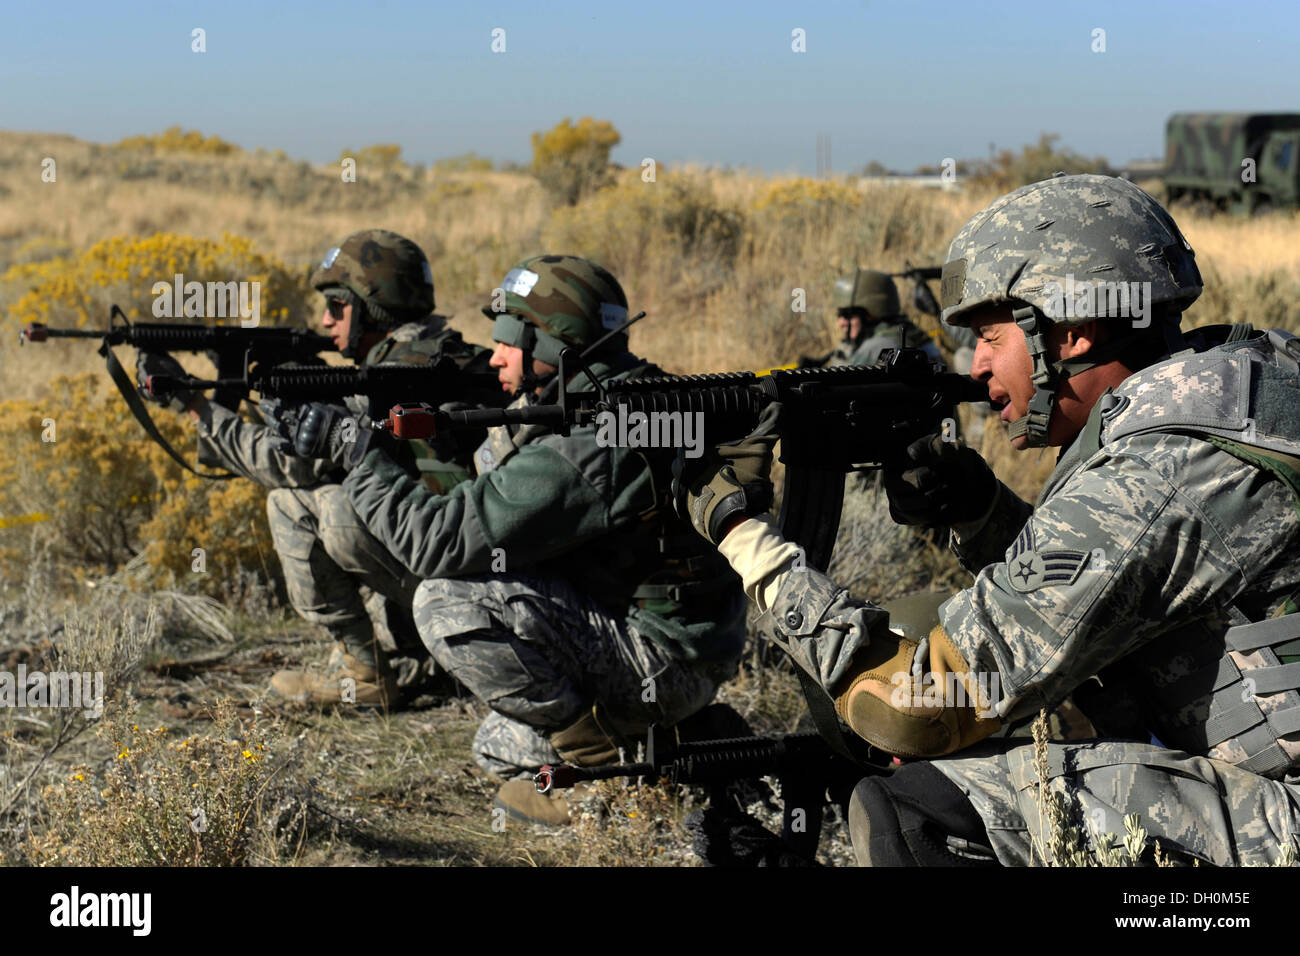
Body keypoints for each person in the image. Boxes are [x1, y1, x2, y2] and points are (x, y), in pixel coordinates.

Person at [676, 174, 1300, 866]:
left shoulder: (1164, 470)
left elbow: (914, 709)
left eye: (990, 337)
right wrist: (981, 514)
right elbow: (1110, 594)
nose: (976, 369)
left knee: (925, 806)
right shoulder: (1240, 389)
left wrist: (745, 539)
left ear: (1070, 330)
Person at [292, 254, 748, 825]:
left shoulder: (592, 440)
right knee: (496, 744)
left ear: (558, 347)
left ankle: (605, 780)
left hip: (666, 662)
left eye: (510, 340)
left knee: (446, 601)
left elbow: (440, 541)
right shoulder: (606, 400)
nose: (495, 356)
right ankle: (686, 744)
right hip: (678, 648)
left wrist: (359, 457)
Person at [137, 229, 492, 708]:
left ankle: (369, 672)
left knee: (321, 507)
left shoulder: (388, 377)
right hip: (465, 563)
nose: (325, 321)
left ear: (374, 307)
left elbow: (285, 465)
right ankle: (385, 660)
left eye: (338, 307)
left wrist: (194, 406)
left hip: (461, 578)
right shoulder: (444, 356)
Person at [813, 268, 943, 368]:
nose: (840, 323)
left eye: (847, 315)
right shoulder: (911, 333)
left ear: (872, 312)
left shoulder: (875, 349)